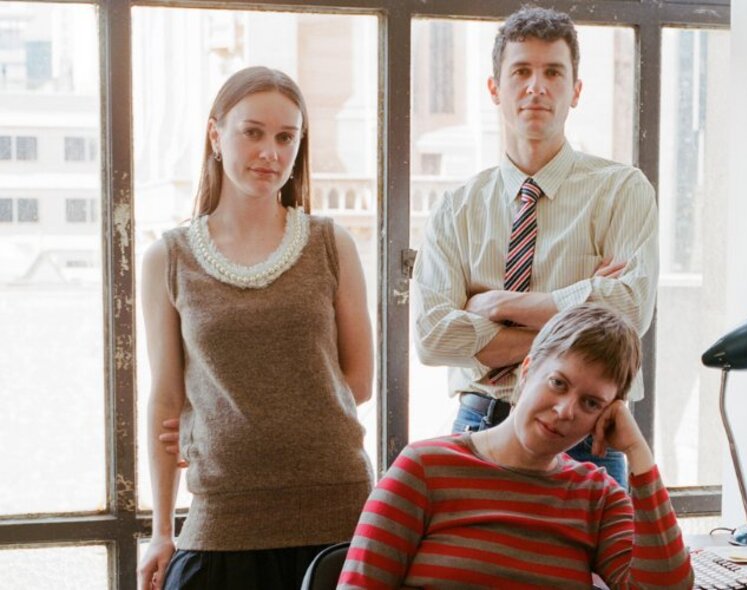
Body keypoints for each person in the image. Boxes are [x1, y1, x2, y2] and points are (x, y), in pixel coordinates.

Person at [136, 66, 374, 590]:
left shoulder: (332, 245)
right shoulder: (168, 259)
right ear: (215, 135)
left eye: (286, 137)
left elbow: (358, 382)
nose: (270, 152)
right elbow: (165, 402)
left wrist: (249, 416)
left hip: (337, 507)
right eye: (253, 132)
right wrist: (159, 530)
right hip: (223, 517)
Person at [413, 6, 659, 488]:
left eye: (553, 73)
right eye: (521, 71)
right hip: (481, 426)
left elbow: (629, 310)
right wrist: (582, 331)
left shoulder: (621, 191)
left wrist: (501, 306)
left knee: (590, 569)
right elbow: (431, 335)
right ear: (494, 89)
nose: (536, 87)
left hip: (586, 438)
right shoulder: (456, 209)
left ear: (576, 90)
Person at [339, 304, 692, 589]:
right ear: (527, 371)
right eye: (557, 382)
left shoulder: (596, 497)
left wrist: (637, 451)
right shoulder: (424, 468)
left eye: (590, 403)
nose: (564, 410)